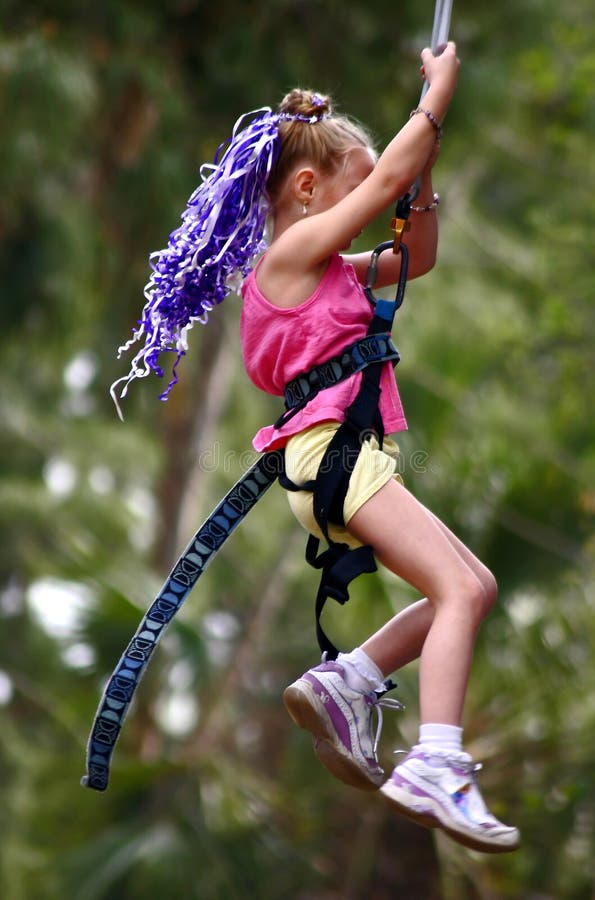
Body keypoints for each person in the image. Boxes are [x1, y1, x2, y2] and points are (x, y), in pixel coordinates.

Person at [113, 42, 519, 854]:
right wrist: (435, 101)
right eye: (353, 187)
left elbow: (418, 257)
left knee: (472, 586)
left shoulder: (331, 270)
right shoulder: (287, 259)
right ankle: (436, 760)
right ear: (307, 189)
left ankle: (350, 680)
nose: (371, 199)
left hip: (332, 462)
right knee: (460, 592)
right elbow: (380, 183)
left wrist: (423, 175)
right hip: (330, 456)